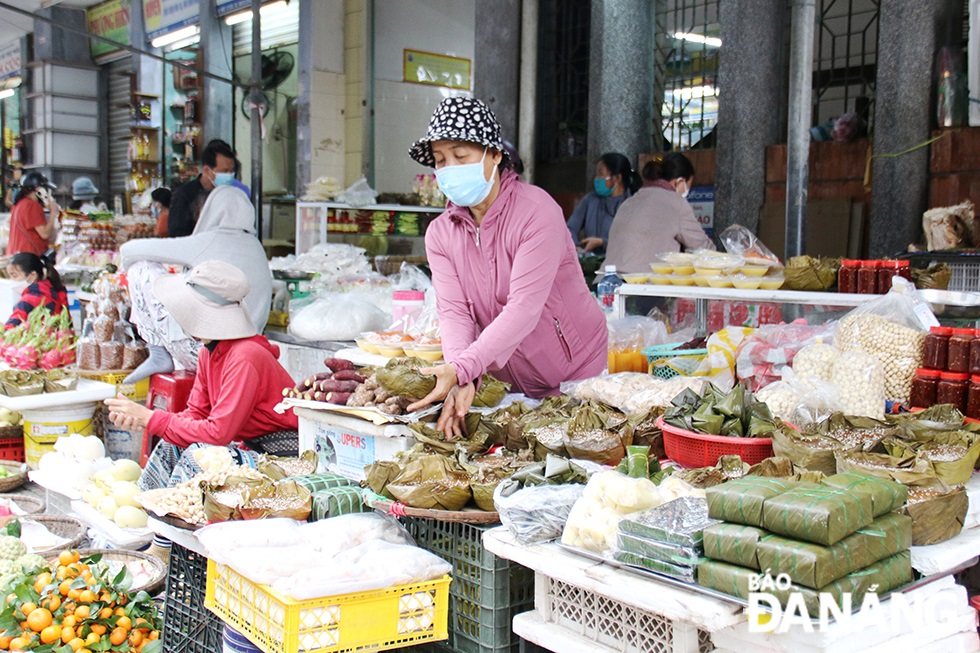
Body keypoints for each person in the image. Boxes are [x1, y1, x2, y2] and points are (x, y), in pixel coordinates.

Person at [405, 97, 607, 437]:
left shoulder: (537, 212)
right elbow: (455, 313)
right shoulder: (440, 233)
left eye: (460, 156)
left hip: (575, 371)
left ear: (495, 155)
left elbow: (524, 309)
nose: (449, 168)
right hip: (512, 380)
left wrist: (464, 367)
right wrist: (461, 373)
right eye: (440, 160)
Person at [104, 260, 298, 490]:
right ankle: (153, 507)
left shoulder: (245, 357)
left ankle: (178, 518)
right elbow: (197, 413)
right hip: (251, 445)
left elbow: (217, 434)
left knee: (198, 455)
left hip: (281, 455)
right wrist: (147, 420)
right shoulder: (209, 352)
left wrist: (151, 419)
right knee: (172, 444)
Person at [120, 186, 272, 383]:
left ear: (211, 211)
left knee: (140, 267)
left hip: (208, 355)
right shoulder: (256, 246)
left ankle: (158, 353)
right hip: (250, 348)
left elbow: (129, 251)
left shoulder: (210, 240)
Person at [604, 152, 715, 274]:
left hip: (606, 281)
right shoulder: (676, 202)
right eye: (688, 186)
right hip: (642, 286)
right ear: (680, 181)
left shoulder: (630, 201)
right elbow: (703, 249)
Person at [566, 153, 641, 253]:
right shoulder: (590, 200)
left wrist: (603, 242)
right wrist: (574, 246)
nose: (596, 179)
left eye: (600, 174)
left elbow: (634, 242)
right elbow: (570, 228)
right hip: (590, 262)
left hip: (620, 263)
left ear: (617, 178)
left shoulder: (633, 204)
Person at [167, 139, 238, 237]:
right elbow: (176, 235)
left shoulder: (230, 194)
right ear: (207, 170)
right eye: (224, 171)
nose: (229, 175)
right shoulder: (184, 195)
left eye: (232, 172)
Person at [4, 252, 68, 329]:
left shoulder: (29, 299)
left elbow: (11, 326)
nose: (12, 281)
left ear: (33, 276)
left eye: (14, 276)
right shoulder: (56, 288)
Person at [6, 172, 60, 257]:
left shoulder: (19, 204)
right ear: (39, 190)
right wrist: (53, 211)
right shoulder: (31, 205)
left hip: (16, 254)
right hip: (28, 256)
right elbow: (44, 234)